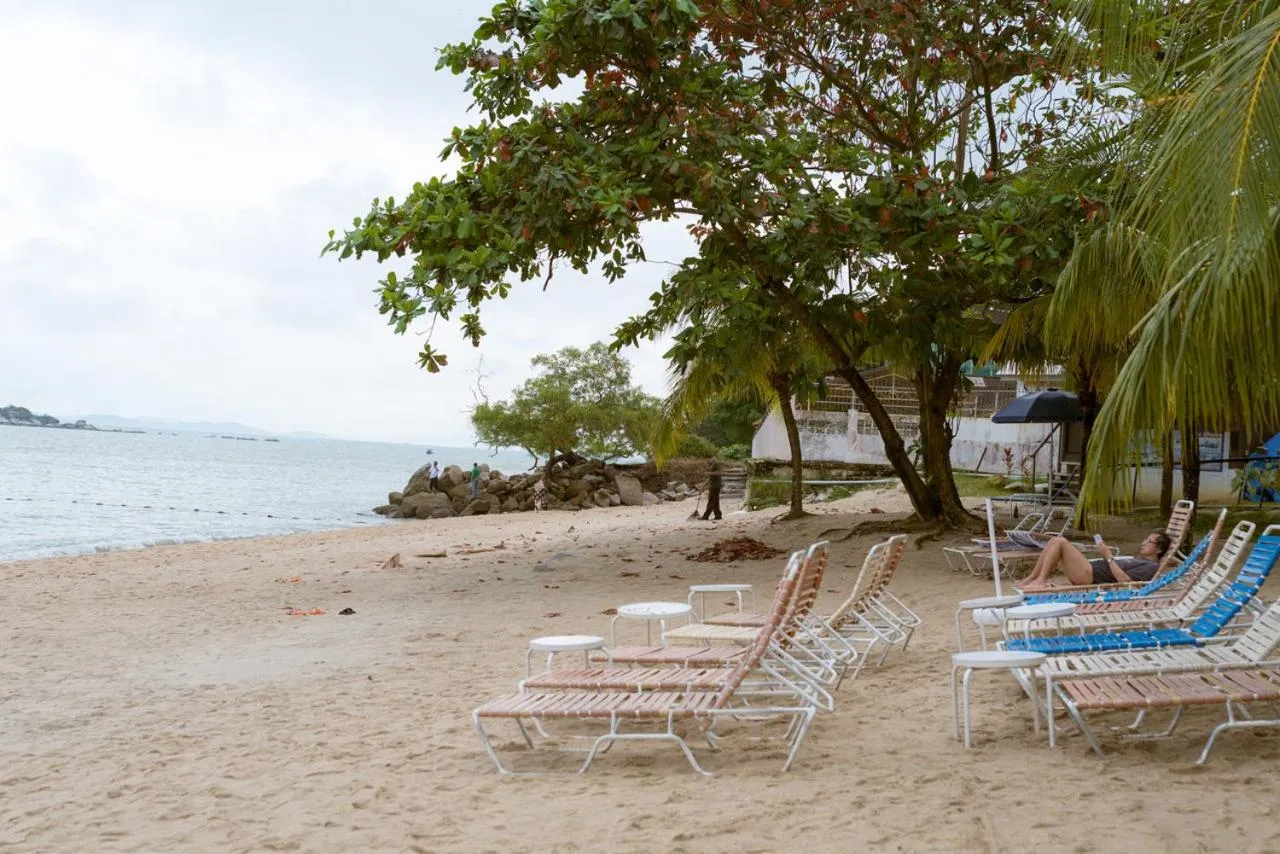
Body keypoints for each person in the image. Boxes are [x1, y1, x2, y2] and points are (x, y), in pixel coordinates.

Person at [1017, 530, 1173, 591]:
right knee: (1054, 541)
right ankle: (1032, 579)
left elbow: (1125, 581)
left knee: (1060, 542)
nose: (1143, 543)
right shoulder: (1140, 559)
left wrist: (1108, 556)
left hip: (1090, 575)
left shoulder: (1150, 567)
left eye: (1149, 542)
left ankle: (1041, 580)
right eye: (1145, 539)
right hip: (1089, 569)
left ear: (1159, 550)